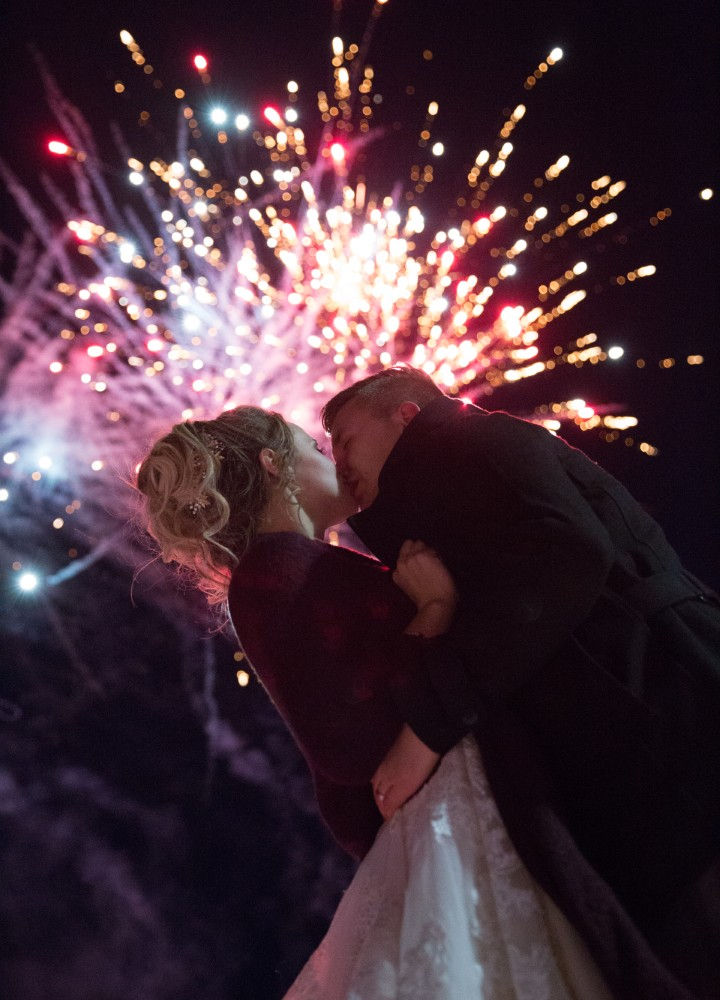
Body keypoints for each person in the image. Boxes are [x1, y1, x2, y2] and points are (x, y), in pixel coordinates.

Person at [136, 406, 690, 999]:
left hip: (461, 797)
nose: (336, 463)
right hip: (457, 812)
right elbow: (344, 738)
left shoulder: (303, 565)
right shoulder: (274, 570)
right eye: (317, 450)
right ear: (275, 466)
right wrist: (433, 612)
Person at [322, 364, 720, 1000]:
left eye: (342, 436)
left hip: (668, 730)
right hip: (661, 721)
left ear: (406, 412)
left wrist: (428, 724)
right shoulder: (465, 462)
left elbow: (566, 552)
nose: (335, 457)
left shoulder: (462, 446)